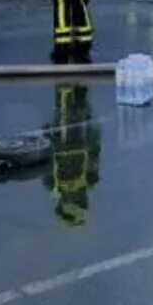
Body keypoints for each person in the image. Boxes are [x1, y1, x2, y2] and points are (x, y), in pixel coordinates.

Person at [45, 83, 102, 227]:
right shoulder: (89, 180)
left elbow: (46, 161)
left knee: (67, 101)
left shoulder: (54, 186)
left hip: (65, 132)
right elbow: (95, 154)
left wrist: (46, 136)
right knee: (77, 99)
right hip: (77, 130)